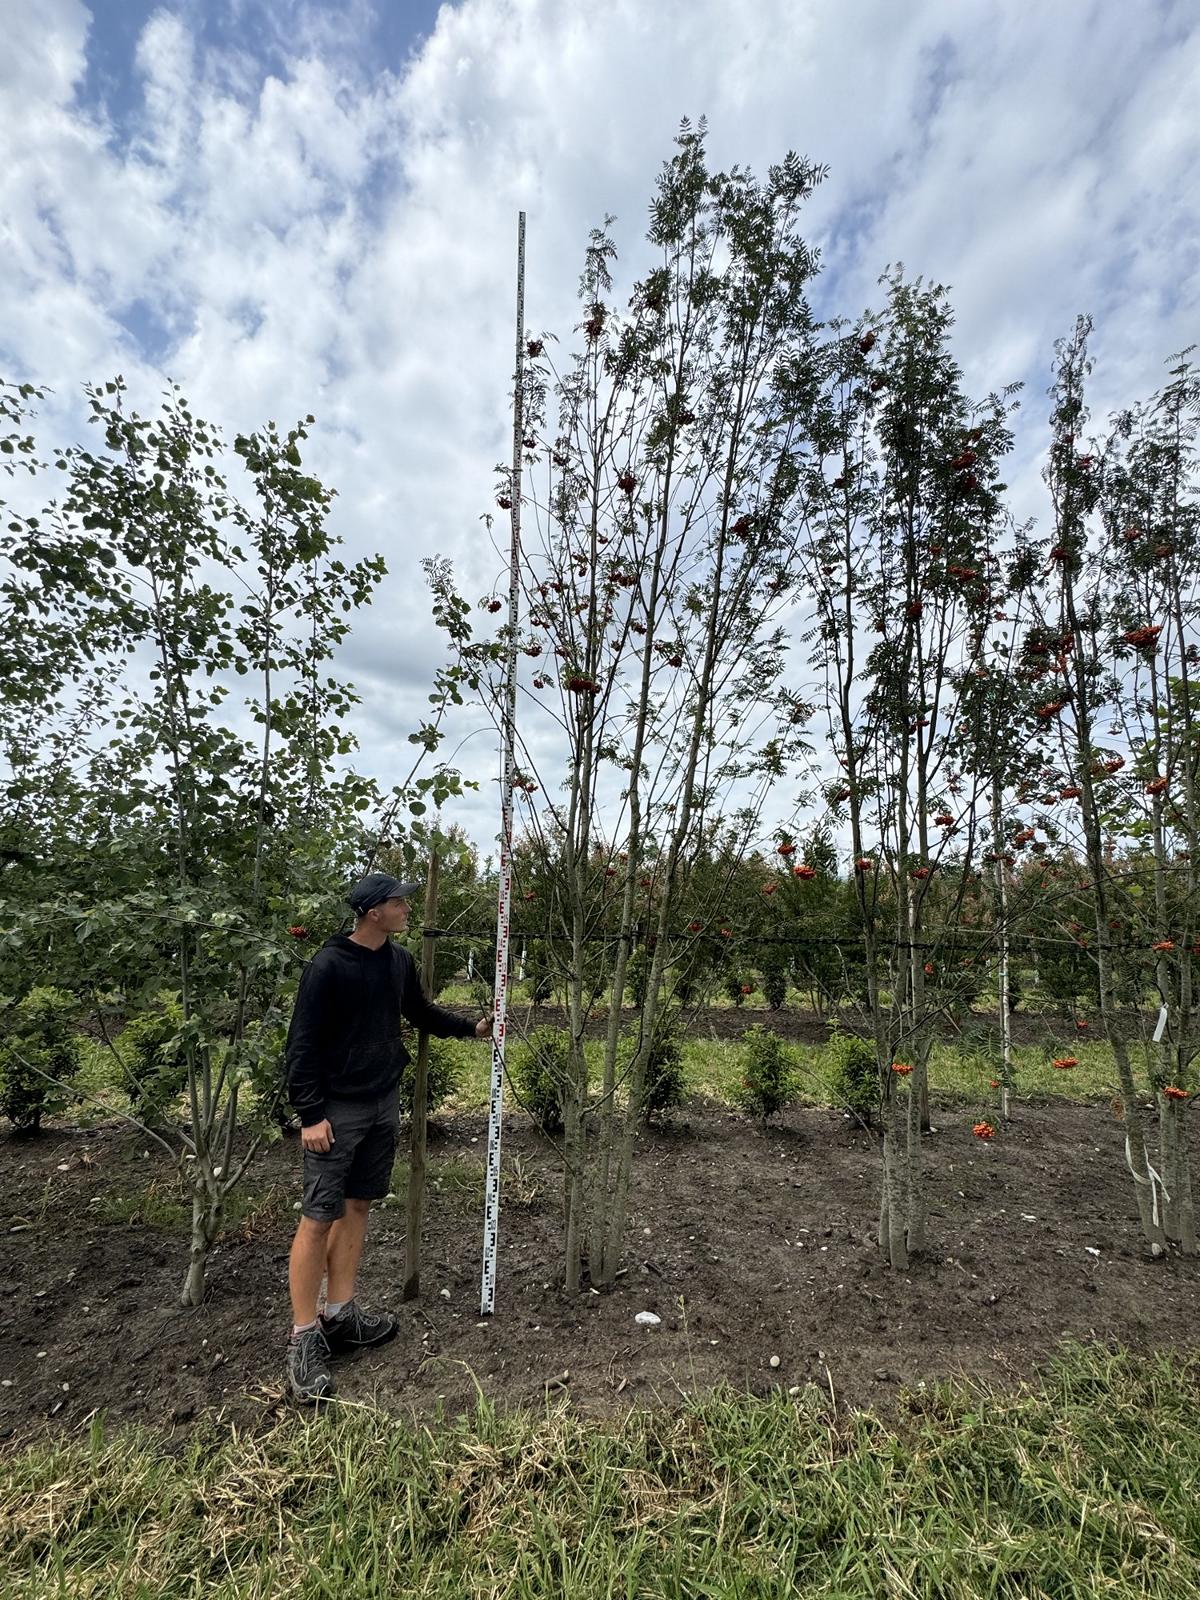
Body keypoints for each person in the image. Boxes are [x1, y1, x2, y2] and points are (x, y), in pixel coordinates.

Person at [284, 871, 491, 1402]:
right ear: (374, 911)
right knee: (317, 1217)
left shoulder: (398, 961)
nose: (407, 908)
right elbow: (302, 1046)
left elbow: (417, 1011)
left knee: (358, 1205)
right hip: (335, 1110)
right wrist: (310, 1114)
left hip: (382, 1102)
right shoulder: (328, 966)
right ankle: (303, 1335)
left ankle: (341, 1314)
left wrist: (471, 1028)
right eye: (399, 902)